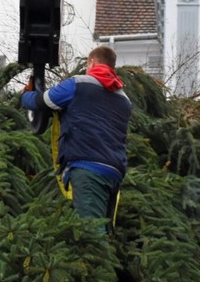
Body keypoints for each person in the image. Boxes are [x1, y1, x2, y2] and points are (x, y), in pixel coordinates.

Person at [21, 46, 132, 226]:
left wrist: (25, 96)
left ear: (92, 62)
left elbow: (43, 101)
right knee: (101, 227)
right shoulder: (124, 99)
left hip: (88, 169)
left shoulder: (79, 84)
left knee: (91, 233)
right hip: (114, 172)